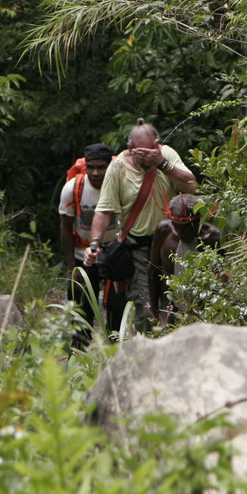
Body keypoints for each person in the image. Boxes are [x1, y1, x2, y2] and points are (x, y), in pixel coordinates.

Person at [85, 120, 197, 333]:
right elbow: (104, 209)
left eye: (150, 152)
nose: (146, 158)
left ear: (157, 144)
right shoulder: (118, 167)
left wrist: (161, 163)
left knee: (180, 304)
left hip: (170, 246)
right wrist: (95, 243)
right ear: (130, 148)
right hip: (139, 249)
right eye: (141, 153)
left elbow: (191, 186)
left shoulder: (167, 155)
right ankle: (145, 352)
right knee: (147, 309)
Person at [58, 143, 119, 348]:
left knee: (116, 305)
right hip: (82, 252)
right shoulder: (72, 188)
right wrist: (71, 266)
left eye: (101, 167)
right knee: (79, 306)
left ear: (109, 166)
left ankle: (115, 349)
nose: (95, 172)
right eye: (91, 167)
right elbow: (65, 227)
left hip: (115, 251)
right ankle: (78, 351)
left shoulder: (120, 186)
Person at [148, 193, 222, 326]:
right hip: (169, 304)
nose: (181, 233)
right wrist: (153, 309)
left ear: (198, 221)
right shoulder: (164, 231)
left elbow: (222, 277)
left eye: (186, 228)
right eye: (177, 227)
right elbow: (153, 269)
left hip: (202, 305)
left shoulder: (213, 238)